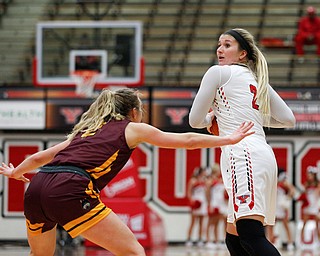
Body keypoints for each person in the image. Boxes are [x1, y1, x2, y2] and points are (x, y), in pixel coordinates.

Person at [0, 88, 255, 256]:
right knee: (133, 252)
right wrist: (228, 139)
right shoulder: (132, 128)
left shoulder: (85, 131)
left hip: (37, 185)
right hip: (70, 187)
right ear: (133, 111)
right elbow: (186, 141)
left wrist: (15, 173)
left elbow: (38, 157)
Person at [189, 28, 296, 256]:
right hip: (262, 153)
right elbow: (288, 119)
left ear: (242, 54)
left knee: (250, 233)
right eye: (219, 44)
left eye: (227, 45)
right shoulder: (257, 79)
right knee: (234, 237)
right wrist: (253, 119)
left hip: (243, 153)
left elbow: (195, 120)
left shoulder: (217, 73)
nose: (220, 49)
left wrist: (210, 118)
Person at [266, 168, 296, 251]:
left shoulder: (284, 183)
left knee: (285, 224)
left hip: (281, 206)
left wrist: (287, 199)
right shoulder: (274, 182)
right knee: (271, 225)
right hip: (274, 205)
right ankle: (271, 242)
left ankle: (290, 243)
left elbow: (292, 190)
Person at [205, 163, 227, 249]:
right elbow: (207, 193)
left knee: (219, 222)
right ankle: (208, 240)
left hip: (221, 203)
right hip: (213, 203)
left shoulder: (221, 180)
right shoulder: (210, 181)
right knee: (211, 222)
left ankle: (218, 240)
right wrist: (209, 203)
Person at [185, 166, 208, 247]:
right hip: (195, 201)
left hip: (203, 202)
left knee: (202, 222)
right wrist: (192, 201)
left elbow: (206, 192)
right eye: (204, 172)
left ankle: (200, 239)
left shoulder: (205, 181)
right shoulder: (193, 181)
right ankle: (189, 239)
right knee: (193, 221)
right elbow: (189, 192)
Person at [298, 166, 320, 245]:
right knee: (304, 222)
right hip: (308, 205)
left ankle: (318, 240)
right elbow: (304, 194)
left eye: (310, 174)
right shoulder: (306, 184)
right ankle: (301, 240)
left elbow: (317, 194)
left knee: (317, 223)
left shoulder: (318, 184)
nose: (309, 176)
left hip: (315, 205)